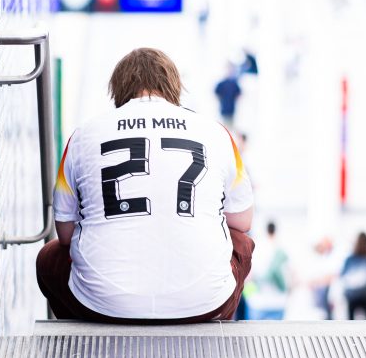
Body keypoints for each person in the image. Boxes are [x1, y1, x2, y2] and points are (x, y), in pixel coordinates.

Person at [36, 48, 255, 323]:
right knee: (242, 243)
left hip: (102, 305)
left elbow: (65, 234)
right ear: (174, 86)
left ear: (118, 88)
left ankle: (79, 330)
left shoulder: (82, 136)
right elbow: (243, 221)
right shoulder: (217, 133)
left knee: (48, 257)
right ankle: (209, 315)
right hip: (203, 304)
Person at [242, 221, 289, 320]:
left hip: (258, 302)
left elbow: (249, 276)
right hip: (279, 302)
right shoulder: (282, 249)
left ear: (265, 231)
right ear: (276, 231)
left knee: (254, 334)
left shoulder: (257, 247)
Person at [338, 232, 366, 320]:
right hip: (365, 294)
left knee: (351, 324)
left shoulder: (350, 259)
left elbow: (342, 275)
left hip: (353, 296)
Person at [213, 65, 242, 129]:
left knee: (231, 127)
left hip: (232, 109)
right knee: (224, 127)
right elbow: (216, 92)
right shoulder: (221, 83)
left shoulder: (234, 83)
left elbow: (239, 93)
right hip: (224, 109)